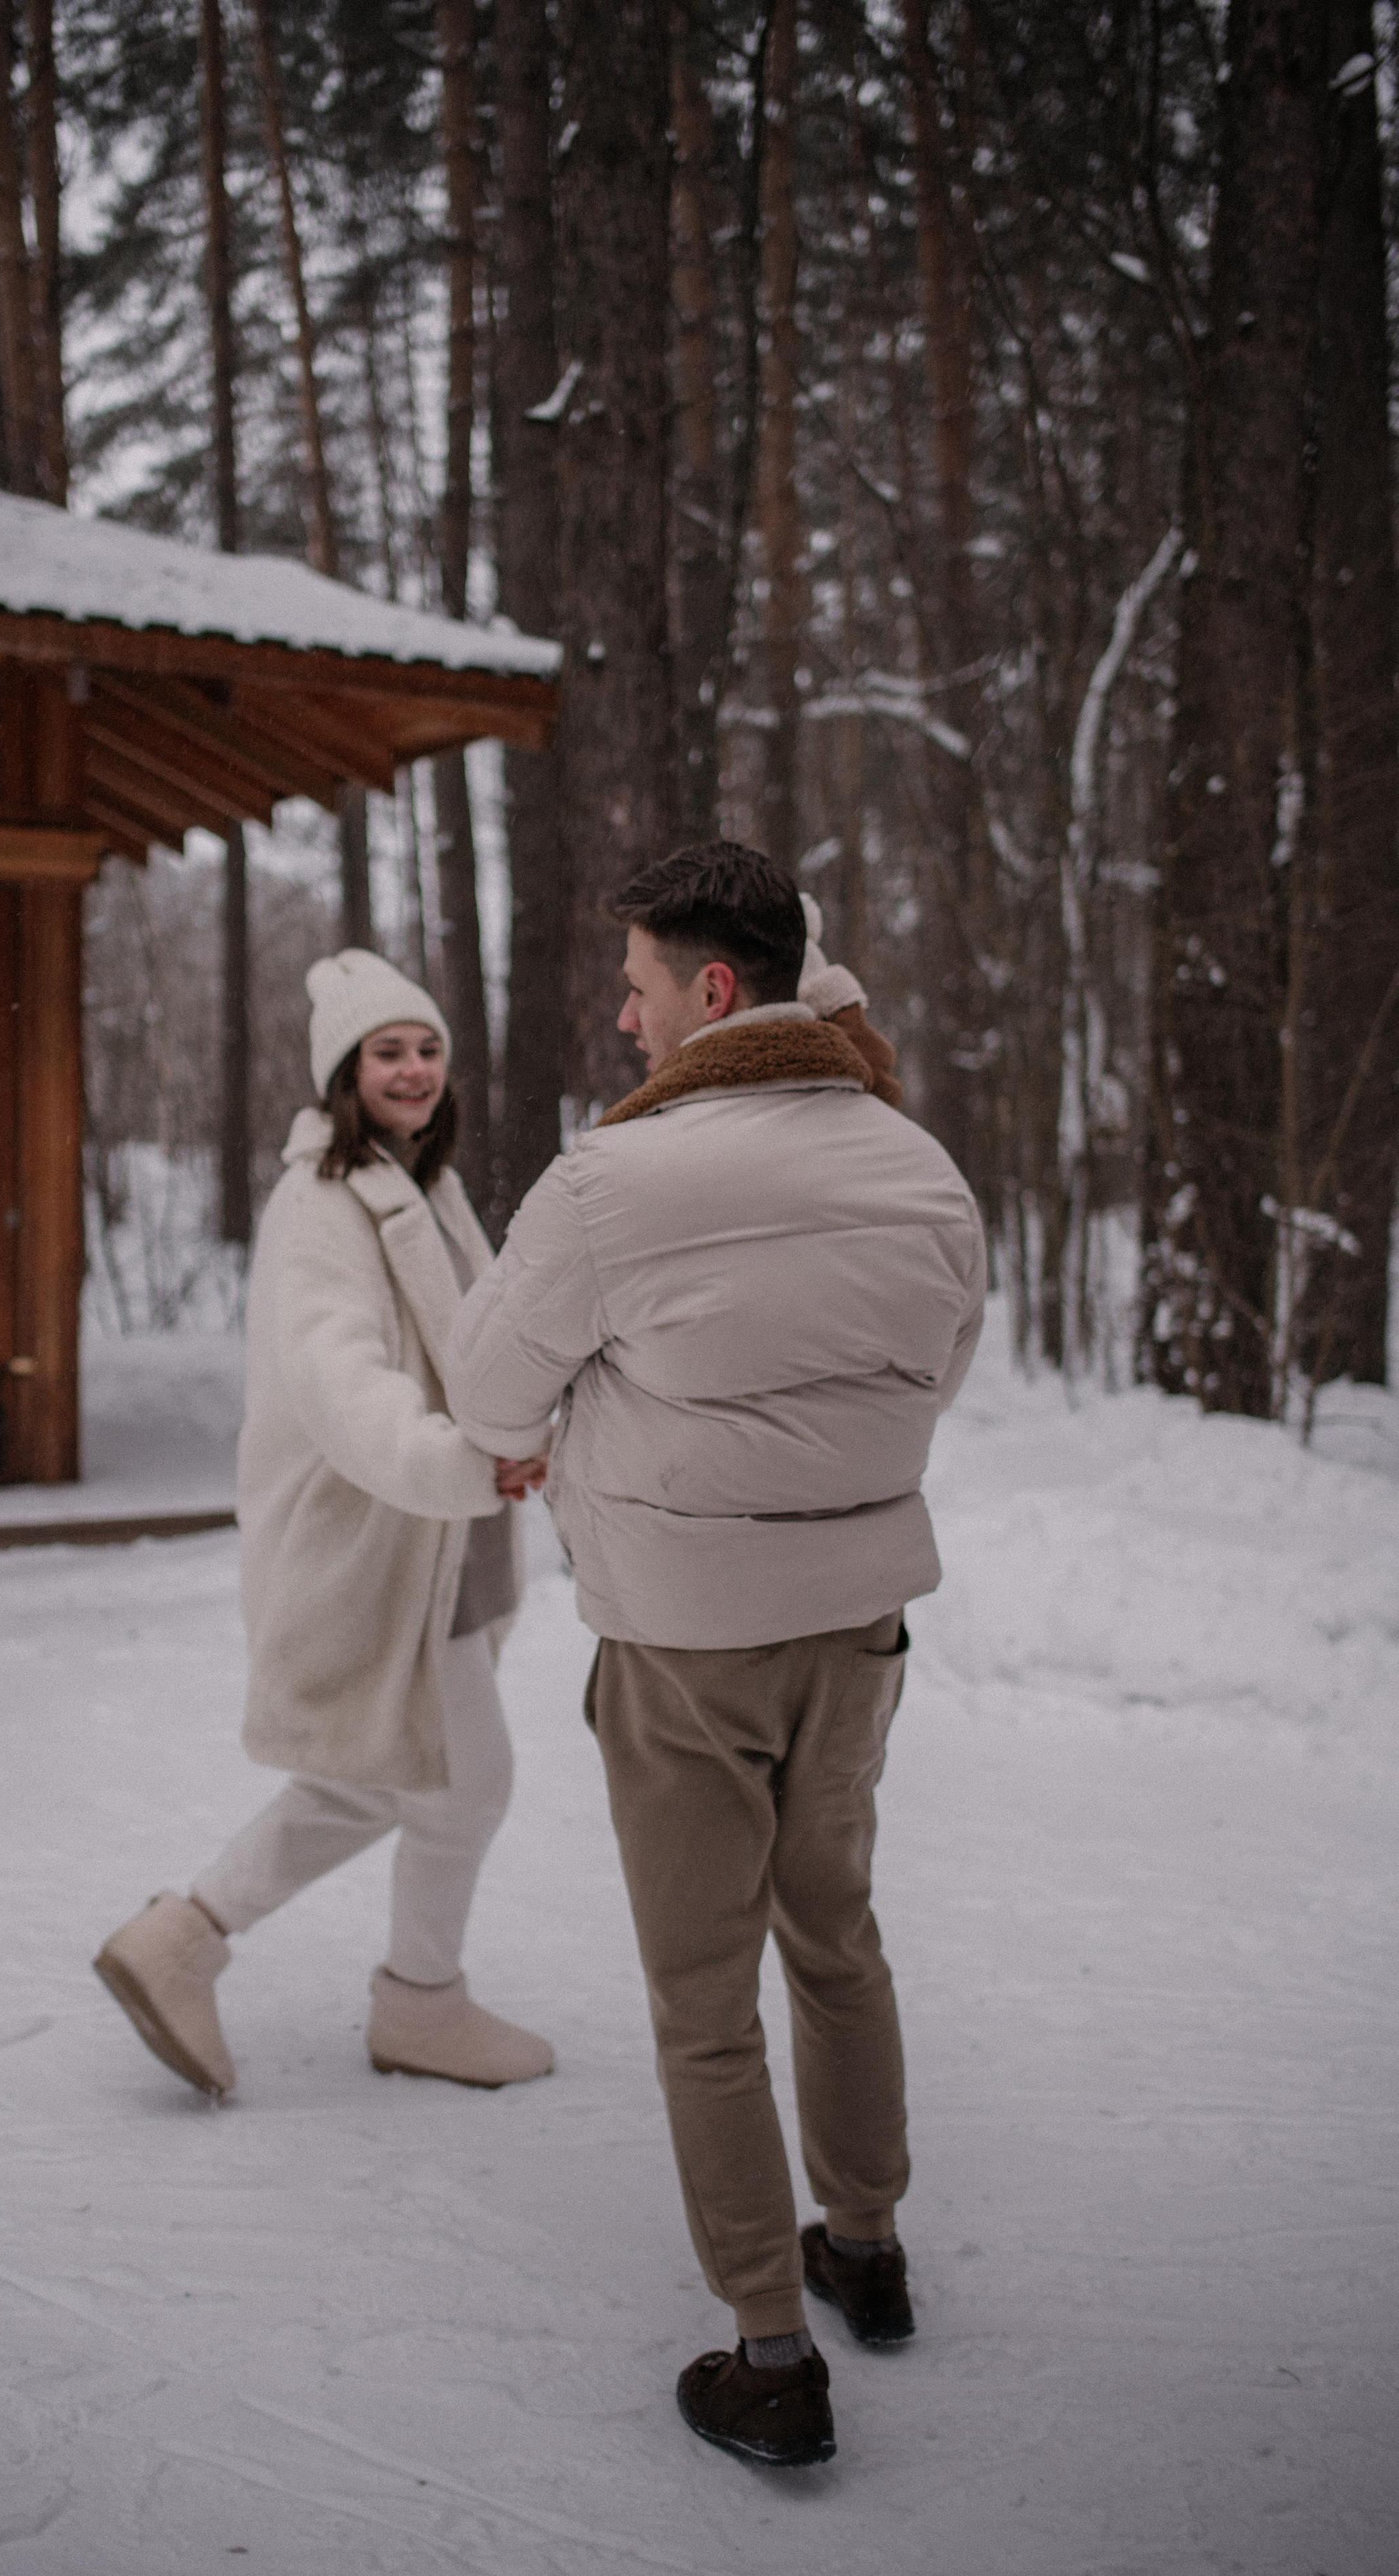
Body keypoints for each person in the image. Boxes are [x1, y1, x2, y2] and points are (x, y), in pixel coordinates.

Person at [443, 843, 985, 2469]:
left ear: (718, 991)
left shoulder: (610, 1183)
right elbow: (929, 1369)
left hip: (685, 1640)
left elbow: (486, 1395)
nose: (622, 1016)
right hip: (857, 1626)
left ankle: (766, 2350)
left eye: (638, 985)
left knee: (700, 1997)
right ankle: (866, 2250)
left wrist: (576, 1419)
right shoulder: (917, 1166)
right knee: (836, 1935)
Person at [95, 949, 553, 2100]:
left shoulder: (420, 1184)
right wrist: (459, 1464)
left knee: (378, 1776)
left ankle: (184, 1940)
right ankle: (419, 2004)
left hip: (433, 1537)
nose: (413, 1069)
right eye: (387, 1052)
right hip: (377, 1537)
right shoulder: (322, 1208)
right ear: (343, 1076)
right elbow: (339, 1382)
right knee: (464, 1777)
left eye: (428, 1048)